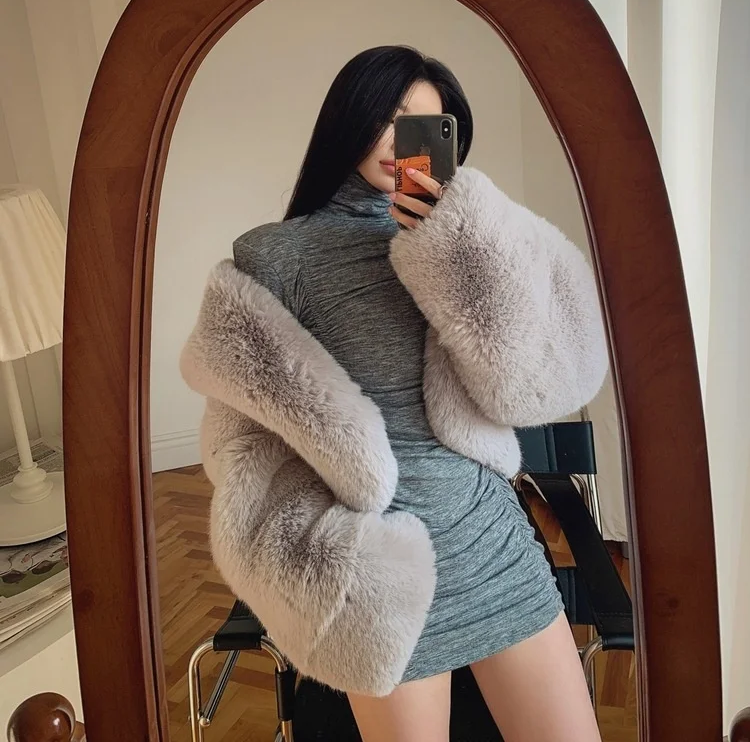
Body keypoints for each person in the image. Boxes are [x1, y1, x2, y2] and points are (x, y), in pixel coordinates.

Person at [181, 45, 608, 742]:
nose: (399, 141)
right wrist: (320, 559)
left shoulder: (478, 239)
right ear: (348, 120)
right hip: (377, 576)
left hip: (491, 544)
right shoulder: (277, 255)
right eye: (386, 116)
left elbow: (540, 385)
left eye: (422, 125)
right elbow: (240, 443)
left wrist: (461, 242)